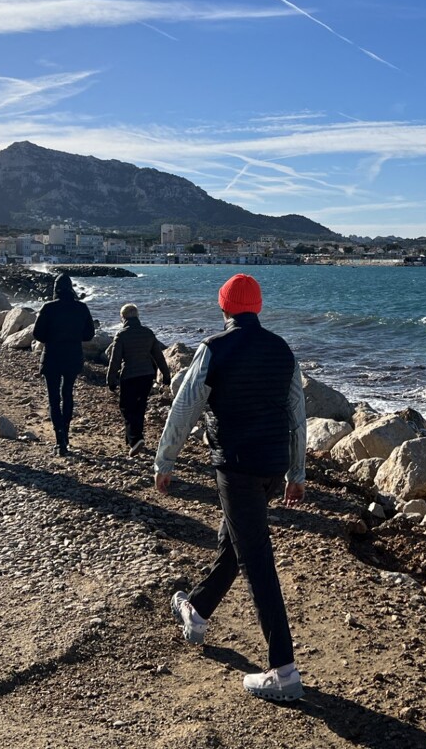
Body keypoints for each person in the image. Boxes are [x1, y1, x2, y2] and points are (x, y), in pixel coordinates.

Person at [154, 273, 308, 702]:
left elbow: (185, 407)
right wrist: (296, 473)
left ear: (223, 307)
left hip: (236, 466)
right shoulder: (282, 349)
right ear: (257, 307)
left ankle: (283, 670)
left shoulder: (214, 348)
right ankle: (197, 610)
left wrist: (165, 460)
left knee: (256, 559)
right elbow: (297, 414)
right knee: (236, 540)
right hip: (272, 466)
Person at [31, 274, 95, 456]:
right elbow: (89, 334)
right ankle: (66, 435)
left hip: (52, 356)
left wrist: (52, 337)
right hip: (73, 356)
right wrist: (73, 336)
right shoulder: (81, 307)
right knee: (67, 394)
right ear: (71, 287)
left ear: (55, 288)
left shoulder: (48, 307)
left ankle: (59, 441)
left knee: (53, 398)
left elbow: (37, 334)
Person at [106, 303, 171, 456]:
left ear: (123, 318)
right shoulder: (148, 333)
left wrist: (110, 379)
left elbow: (115, 361)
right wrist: (166, 375)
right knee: (140, 407)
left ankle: (135, 439)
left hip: (129, 376)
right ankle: (133, 438)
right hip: (147, 375)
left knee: (126, 408)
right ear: (137, 316)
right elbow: (159, 357)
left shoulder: (121, 335)